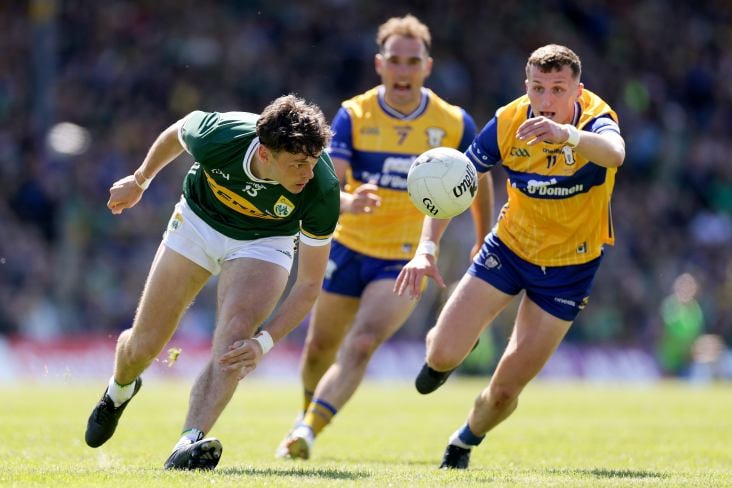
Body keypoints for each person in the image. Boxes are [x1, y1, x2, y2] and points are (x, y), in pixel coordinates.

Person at [395, 44, 625, 470]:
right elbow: (455, 182)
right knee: (442, 354)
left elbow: (615, 153)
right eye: (538, 88)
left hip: (569, 271)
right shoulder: (508, 121)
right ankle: (455, 346)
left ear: (578, 90)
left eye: (558, 89)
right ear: (526, 87)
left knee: (503, 392)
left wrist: (568, 136)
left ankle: (464, 440)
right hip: (509, 250)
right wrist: (427, 247)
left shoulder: (596, 119)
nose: (546, 100)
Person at [83, 94, 340, 470]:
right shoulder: (221, 135)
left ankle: (188, 442)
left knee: (236, 337)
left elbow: (309, 285)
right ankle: (119, 390)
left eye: (313, 162)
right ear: (265, 153)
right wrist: (140, 181)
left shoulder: (322, 189)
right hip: (198, 223)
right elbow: (177, 133)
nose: (308, 173)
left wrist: (263, 343)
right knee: (144, 346)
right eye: (298, 164)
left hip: (265, 241)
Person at [275, 14, 492, 460]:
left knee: (362, 343)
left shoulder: (453, 123)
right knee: (318, 349)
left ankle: (308, 430)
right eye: (394, 60)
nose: (403, 70)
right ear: (380, 64)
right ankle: (307, 414)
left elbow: (479, 177)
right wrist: (350, 201)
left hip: (404, 259)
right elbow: (328, 183)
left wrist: (481, 236)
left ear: (427, 66)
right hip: (347, 247)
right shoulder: (354, 115)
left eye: (412, 61)